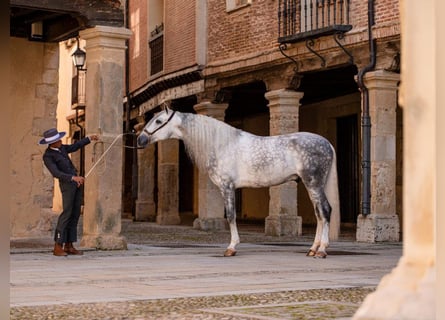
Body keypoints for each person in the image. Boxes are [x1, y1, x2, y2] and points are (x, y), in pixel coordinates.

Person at [39, 128, 99, 256]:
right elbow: (56, 173)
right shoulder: (48, 156)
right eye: (57, 140)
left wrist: (89, 139)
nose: (60, 141)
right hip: (67, 184)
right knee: (67, 213)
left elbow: (75, 146)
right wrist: (73, 178)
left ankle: (69, 245)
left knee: (75, 213)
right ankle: (58, 245)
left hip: (76, 183)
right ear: (52, 143)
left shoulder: (62, 148)